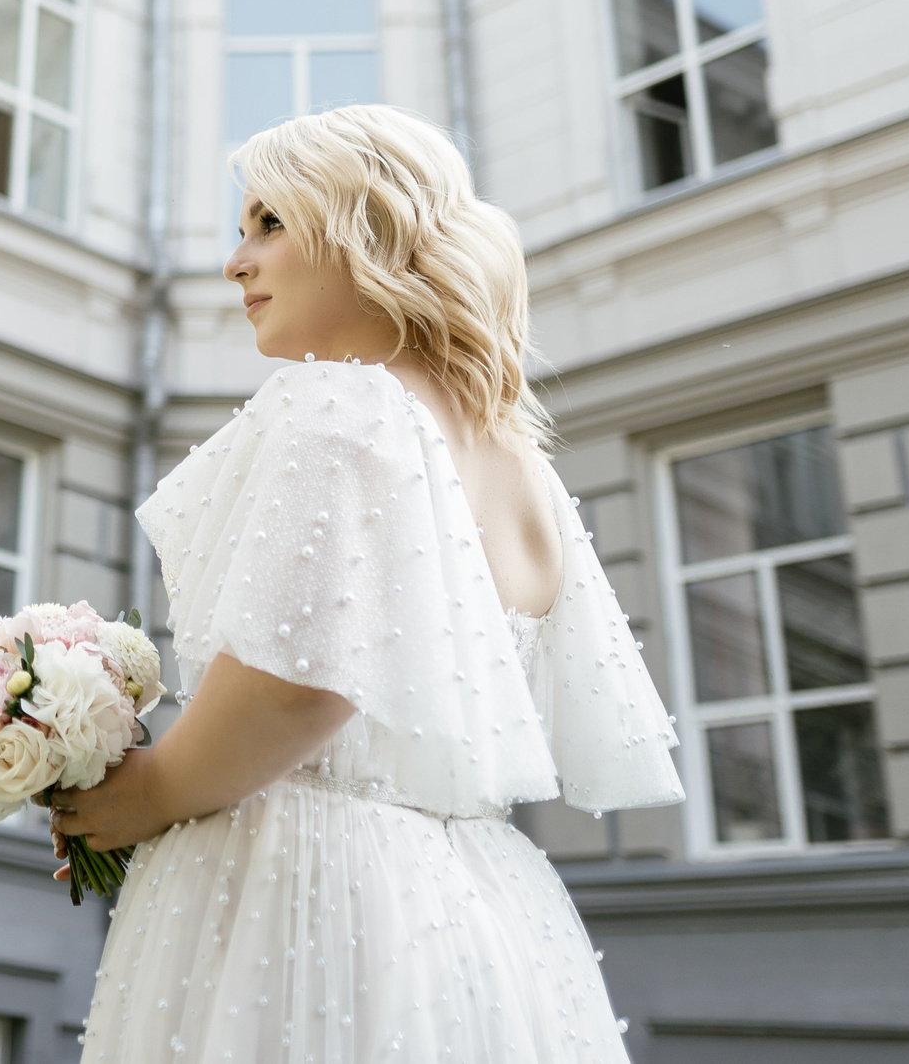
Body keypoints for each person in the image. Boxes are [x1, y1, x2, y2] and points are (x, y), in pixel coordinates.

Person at [49, 105, 680, 1063]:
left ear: (367, 232)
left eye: (270, 223)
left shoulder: (341, 403)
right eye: (239, 228)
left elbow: (304, 680)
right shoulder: (522, 465)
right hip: (485, 913)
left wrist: (152, 790)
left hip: (310, 895)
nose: (237, 262)